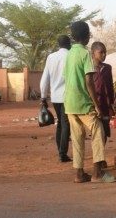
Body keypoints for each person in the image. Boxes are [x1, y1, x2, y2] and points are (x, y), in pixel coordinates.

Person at [64, 21, 116, 183]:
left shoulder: (69, 54)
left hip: (70, 103)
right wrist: (95, 104)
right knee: (98, 132)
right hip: (83, 103)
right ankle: (97, 173)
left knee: (77, 138)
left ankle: (79, 173)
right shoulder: (84, 54)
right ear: (87, 36)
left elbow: (65, 78)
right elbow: (89, 81)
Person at [40, 35, 72, 163]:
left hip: (55, 97)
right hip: (67, 96)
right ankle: (62, 154)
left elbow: (45, 79)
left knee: (60, 124)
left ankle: (60, 151)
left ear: (59, 44)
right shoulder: (70, 56)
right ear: (69, 44)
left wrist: (43, 97)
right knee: (66, 125)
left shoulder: (51, 57)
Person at [90, 41, 115, 149]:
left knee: (104, 130)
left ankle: (100, 155)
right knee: (97, 132)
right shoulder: (88, 68)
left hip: (105, 105)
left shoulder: (107, 68)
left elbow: (110, 86)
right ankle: (98, 158)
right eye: (101, 52)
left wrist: (111, 105)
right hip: (93, 105)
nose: (104, 55)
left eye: (105, 52)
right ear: (93, 53)